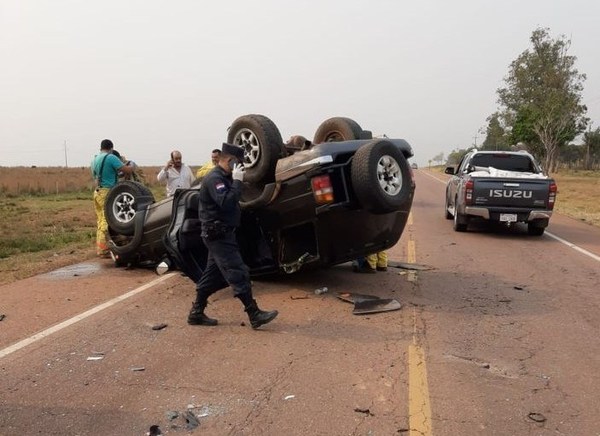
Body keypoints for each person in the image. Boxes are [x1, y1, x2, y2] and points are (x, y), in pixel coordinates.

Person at [187, 143, 278, 329]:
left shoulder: (224, 177)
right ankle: (254, 314)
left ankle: (196, 313)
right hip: (217, 235)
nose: (241, 167)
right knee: (239, 271)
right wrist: (237, 182)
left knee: (212, 276)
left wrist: (236, 182)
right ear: (230, 160)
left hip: (220, 234)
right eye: (239, 163)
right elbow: (227, 202)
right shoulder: (215, 179)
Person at [91, 139, 134, 257]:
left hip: (97, 192)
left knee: (100, 220)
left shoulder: (94, 159)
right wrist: (132, 165)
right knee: (107, 220)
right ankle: (105, 250)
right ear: (111, 148)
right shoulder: (111, 157)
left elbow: (96, 176)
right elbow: (126, 170)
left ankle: (101, 249)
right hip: (107, 192)